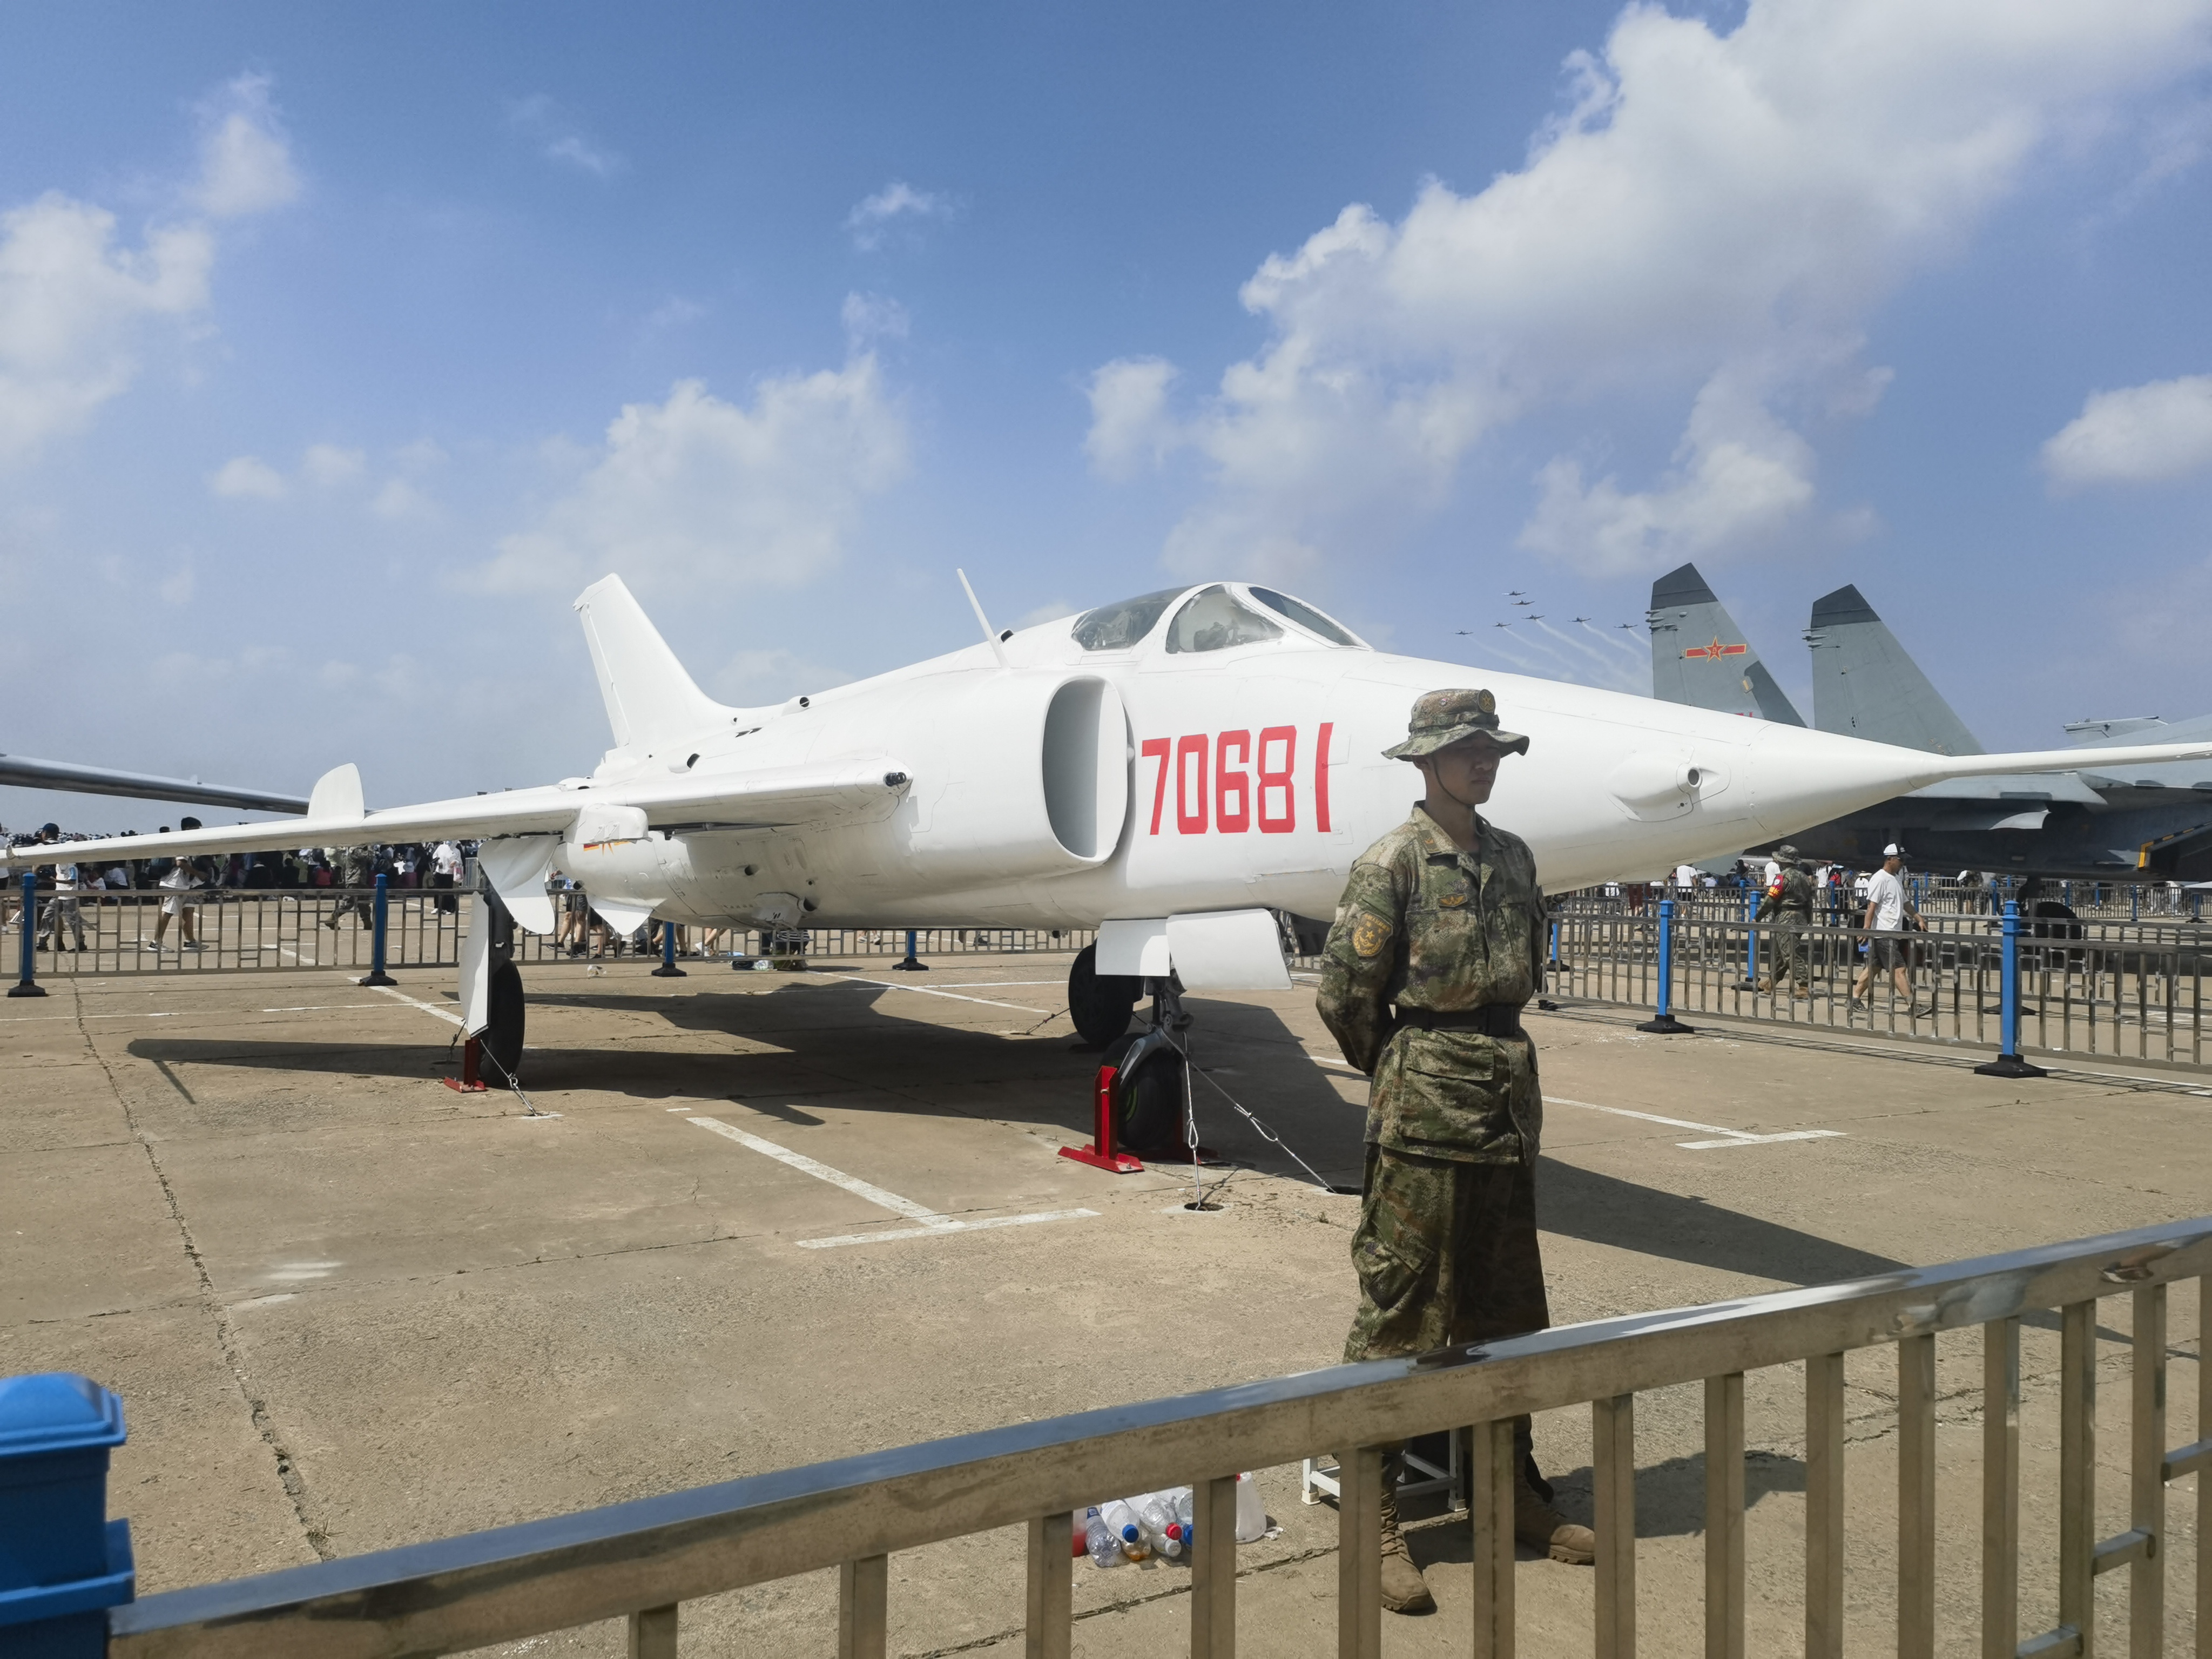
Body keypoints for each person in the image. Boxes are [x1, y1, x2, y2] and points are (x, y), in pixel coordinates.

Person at [1317, 687, 1595, 1615]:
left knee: (1502, 1308)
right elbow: (1346, 995)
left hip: (1506, 1101)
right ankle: (1375, 1515)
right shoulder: (1392, 860)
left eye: (1492, 749)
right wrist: (1405, 1065)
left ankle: (1508, 1486)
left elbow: (1526, 965)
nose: (1484, 762)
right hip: (1425, 1105)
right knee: (1400, 1311)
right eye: (1467, 749)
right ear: (1427, 760)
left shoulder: (1512, 856)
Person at [1851, 844, 1928, 1014]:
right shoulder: (1879, 878)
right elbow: (1872, 905)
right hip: (1883, 932)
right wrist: (1866, 929)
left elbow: (1906, 903)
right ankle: (1913, 1006)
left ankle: (1854, 1000)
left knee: (1873, 968)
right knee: (1899, 969)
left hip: (1892, 932)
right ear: (1890, 859)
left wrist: (1918, 918)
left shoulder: (1896, 878)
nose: (1903, 863)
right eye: (1901, 860)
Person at [1754, 843, 1816, 998]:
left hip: (1786, 918)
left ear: (1782, 861)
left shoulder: (1782, 878)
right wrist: (1808, 918)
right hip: (1801, 917)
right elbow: (1810, 901)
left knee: (1790, 953)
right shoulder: (1805, 878)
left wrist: (1758, 917)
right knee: (1782, 953)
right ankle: (1771, 982)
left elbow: (1771, 899)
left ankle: (1804, 986)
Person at [149, 818, 208, 952]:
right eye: (196, 828)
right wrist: (198, 873)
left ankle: (190, 941)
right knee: (168, 912)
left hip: (183, 885)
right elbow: (180, 863)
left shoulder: (185, 842)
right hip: (174, 884)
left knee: (188, 910)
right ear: (188, 829)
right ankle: (155, 943)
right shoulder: (183, 843)